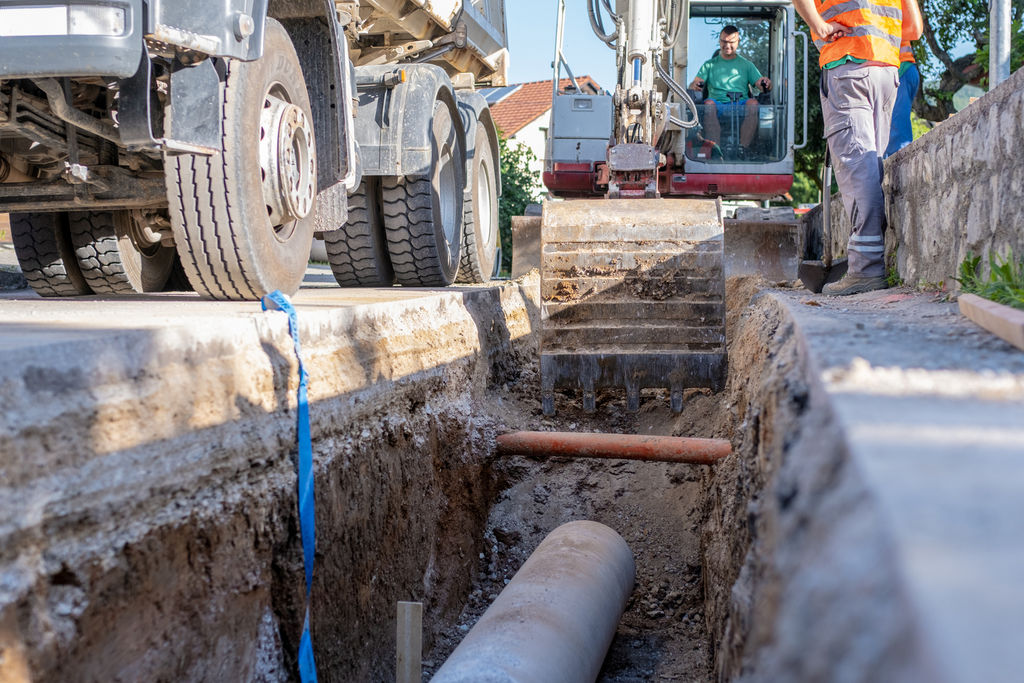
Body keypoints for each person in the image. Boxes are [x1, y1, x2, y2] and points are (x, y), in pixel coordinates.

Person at [792, 0, 923, 295]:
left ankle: (866, 269)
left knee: (858, 168)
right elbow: (913, 28)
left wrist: (820, 25)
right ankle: (869, 260)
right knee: (871, 163)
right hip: (888, 72)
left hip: (848, 65)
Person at [687, 25, 772, 151]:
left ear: (738, 42)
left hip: (740, 104)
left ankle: (743, 149)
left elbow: (760, 84)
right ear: (719, 41)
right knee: (709, 104)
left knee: (753, 103)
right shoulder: (709, 65)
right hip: (717, 104)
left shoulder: (746, 65)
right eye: (724, 41)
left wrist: (765, 83)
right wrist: (695, 85)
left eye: (731, 42)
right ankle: (716, 150)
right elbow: (695, 83)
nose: (727, 45)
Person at [884, 39, 921, 157]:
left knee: (896, 130)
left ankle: (900, 165)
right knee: (890, 127)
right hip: (902, 70)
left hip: (900, 71)